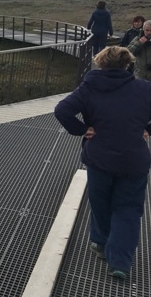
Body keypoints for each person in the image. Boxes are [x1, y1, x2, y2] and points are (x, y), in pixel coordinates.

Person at [54, 46, 151, 279]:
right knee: (128, 209)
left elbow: (62, 110)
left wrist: (82, 129)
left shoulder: (89, 88)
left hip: (99, 158)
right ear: (128, 65)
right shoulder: (145, 88)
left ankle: (100, 243)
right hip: (133, 160)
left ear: (100, 63)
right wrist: (145, 129)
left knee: (100, 203)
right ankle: (119, 262)